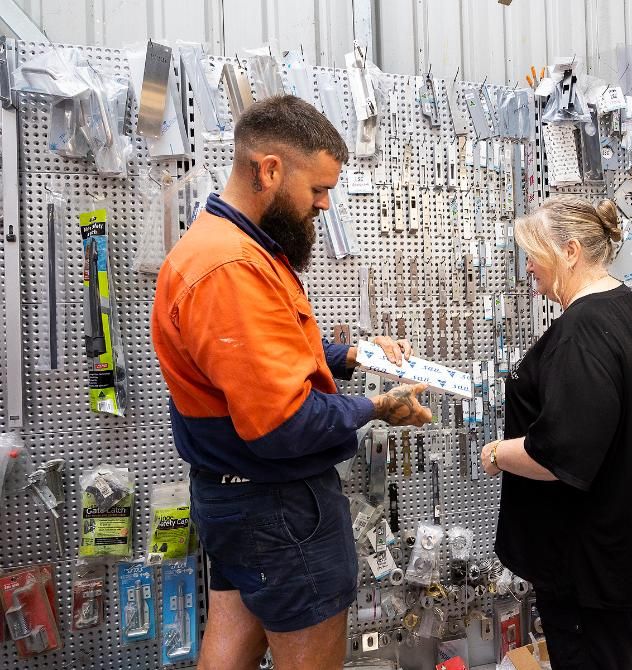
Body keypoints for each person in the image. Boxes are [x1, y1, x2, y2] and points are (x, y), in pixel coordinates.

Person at [151, 95, 431, 670]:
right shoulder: (232, 270)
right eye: (318, 189)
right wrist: (376, 406)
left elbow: (265, 357)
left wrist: (351, 354)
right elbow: (283, 422)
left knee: (228, 645)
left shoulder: (223, 247)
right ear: (271, 169)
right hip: (276, 504)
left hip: (234, 496)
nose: (326, 205)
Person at [480, 195, 632, 670]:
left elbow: (559, 456)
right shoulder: (621, 303)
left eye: (533, 253)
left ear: (569, 251)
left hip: (595, 565)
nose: (528, 266)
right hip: (630, 552)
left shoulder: (583, 328)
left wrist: (495, 452)